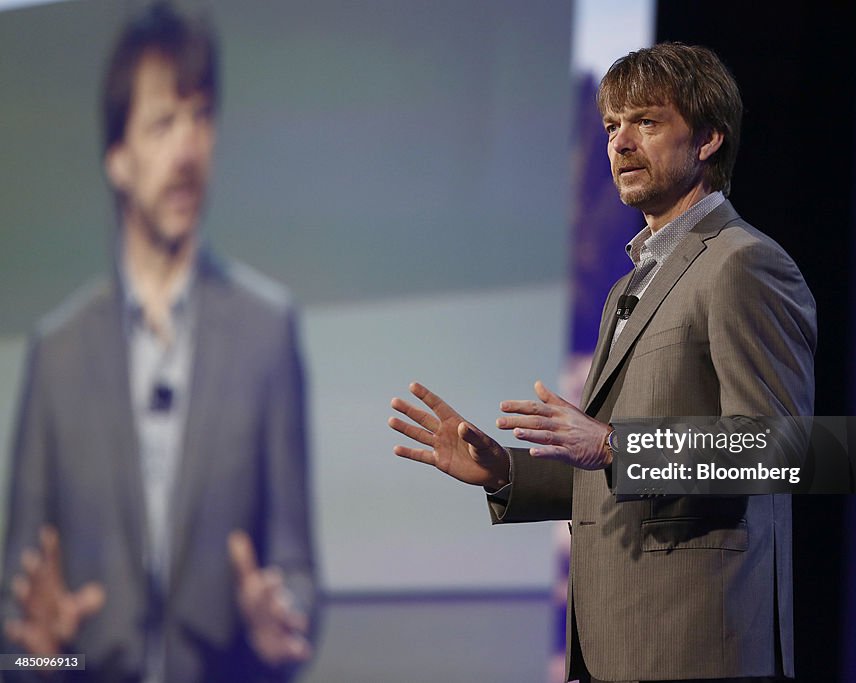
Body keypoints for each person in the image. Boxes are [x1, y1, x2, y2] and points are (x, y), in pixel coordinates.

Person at [389, 43, 815, 682]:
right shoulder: (629, 285)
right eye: (612, 126)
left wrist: (615, 445)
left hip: (695, 644)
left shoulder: (741, 264)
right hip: (614, 643)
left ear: (707, 138)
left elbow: (778, 451)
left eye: (646, 122)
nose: (620, 144)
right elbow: (608, 471)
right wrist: (506, 471)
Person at [0, 4, 317, 681]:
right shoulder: (56, 355)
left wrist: (279, 619)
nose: (188, 149)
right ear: (118, 157)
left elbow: (299, 578)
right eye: (163, 123)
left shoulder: (268, 333)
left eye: (201, 118)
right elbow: (15, 635)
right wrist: (42, 654)